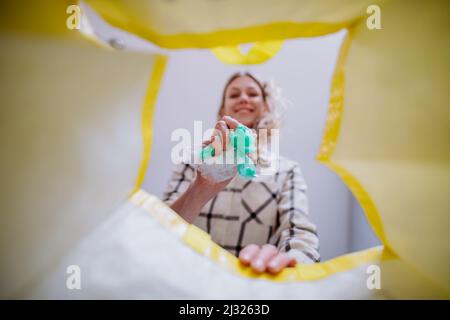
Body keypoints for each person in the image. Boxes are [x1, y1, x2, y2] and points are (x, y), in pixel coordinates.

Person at [162, 72, 320, 274]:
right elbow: (160, 230)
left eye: (252, 94)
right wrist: (200, 187)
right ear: (222, 110)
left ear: (265, 107)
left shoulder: (287, 171)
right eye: (234, 95)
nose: (243, 98)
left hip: (253, 287)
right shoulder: (193, 162)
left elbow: (298, 232)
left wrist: (292, 265)